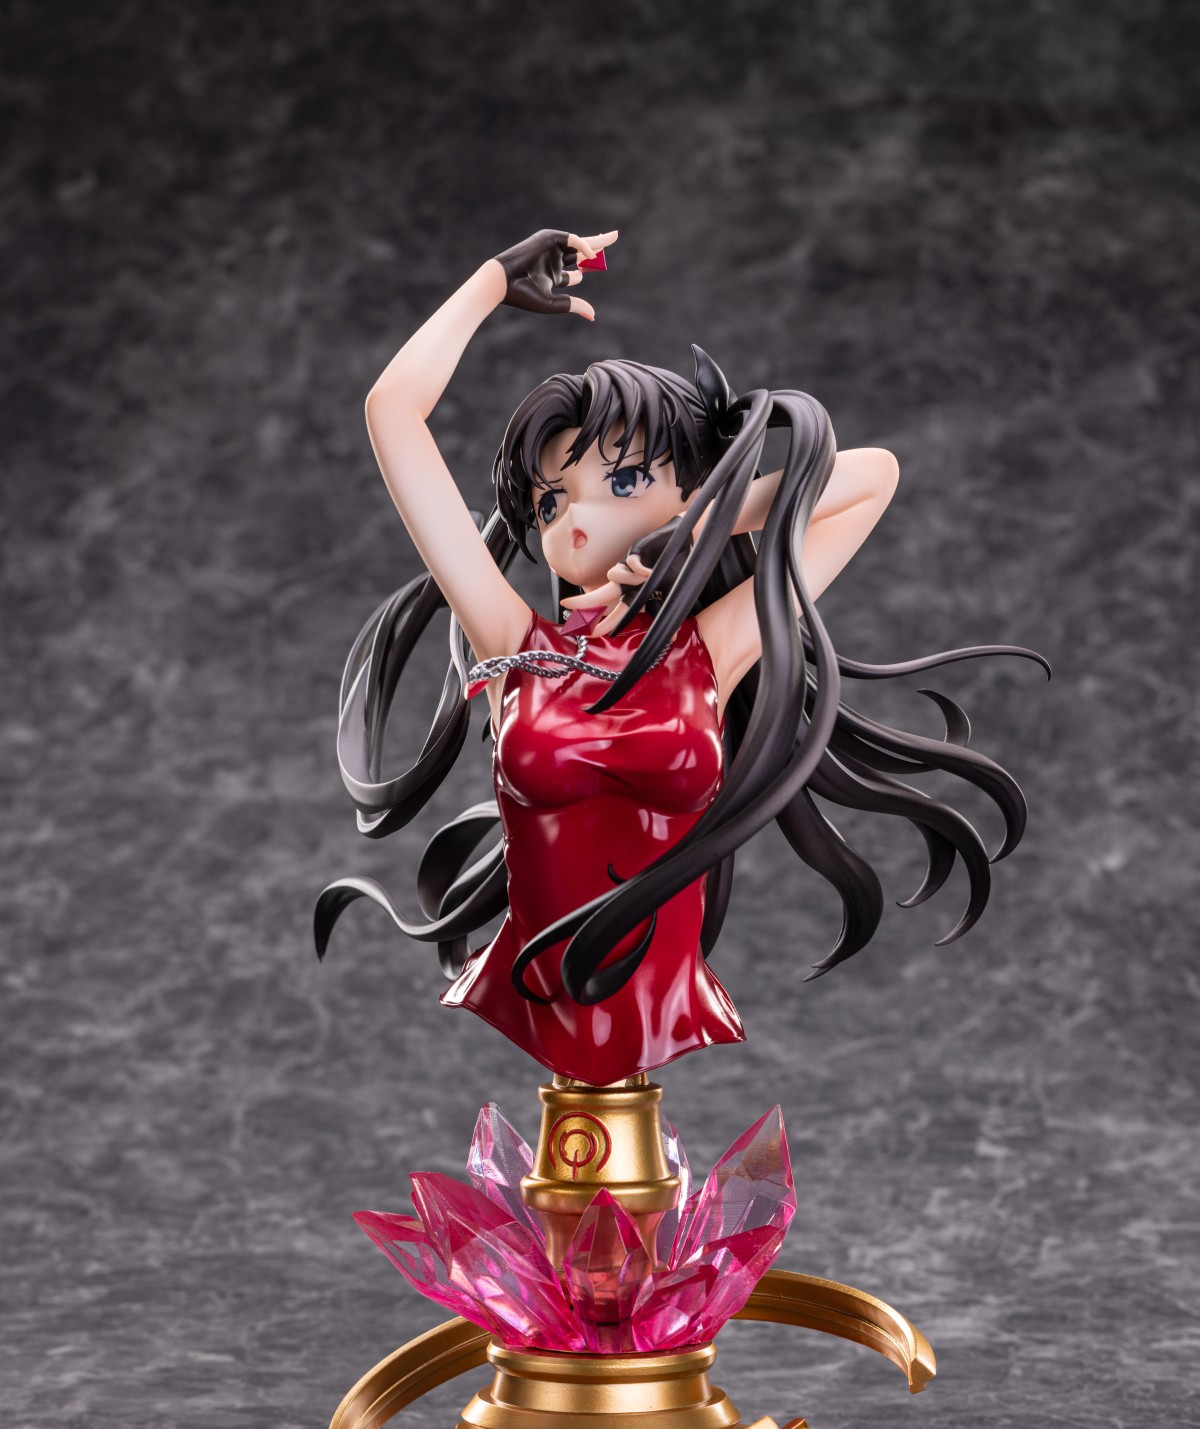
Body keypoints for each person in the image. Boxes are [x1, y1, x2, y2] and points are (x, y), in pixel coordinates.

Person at [317, 229, 1046, 1086]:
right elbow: (393, 413)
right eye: (551, 502)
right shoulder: (513, 642)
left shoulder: (712, 647)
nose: (575, 522)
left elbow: (870, 477)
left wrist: (702, 527)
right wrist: (489, 282)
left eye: (624, 481)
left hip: (662, 998)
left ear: (688, 490)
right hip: (536, 988)